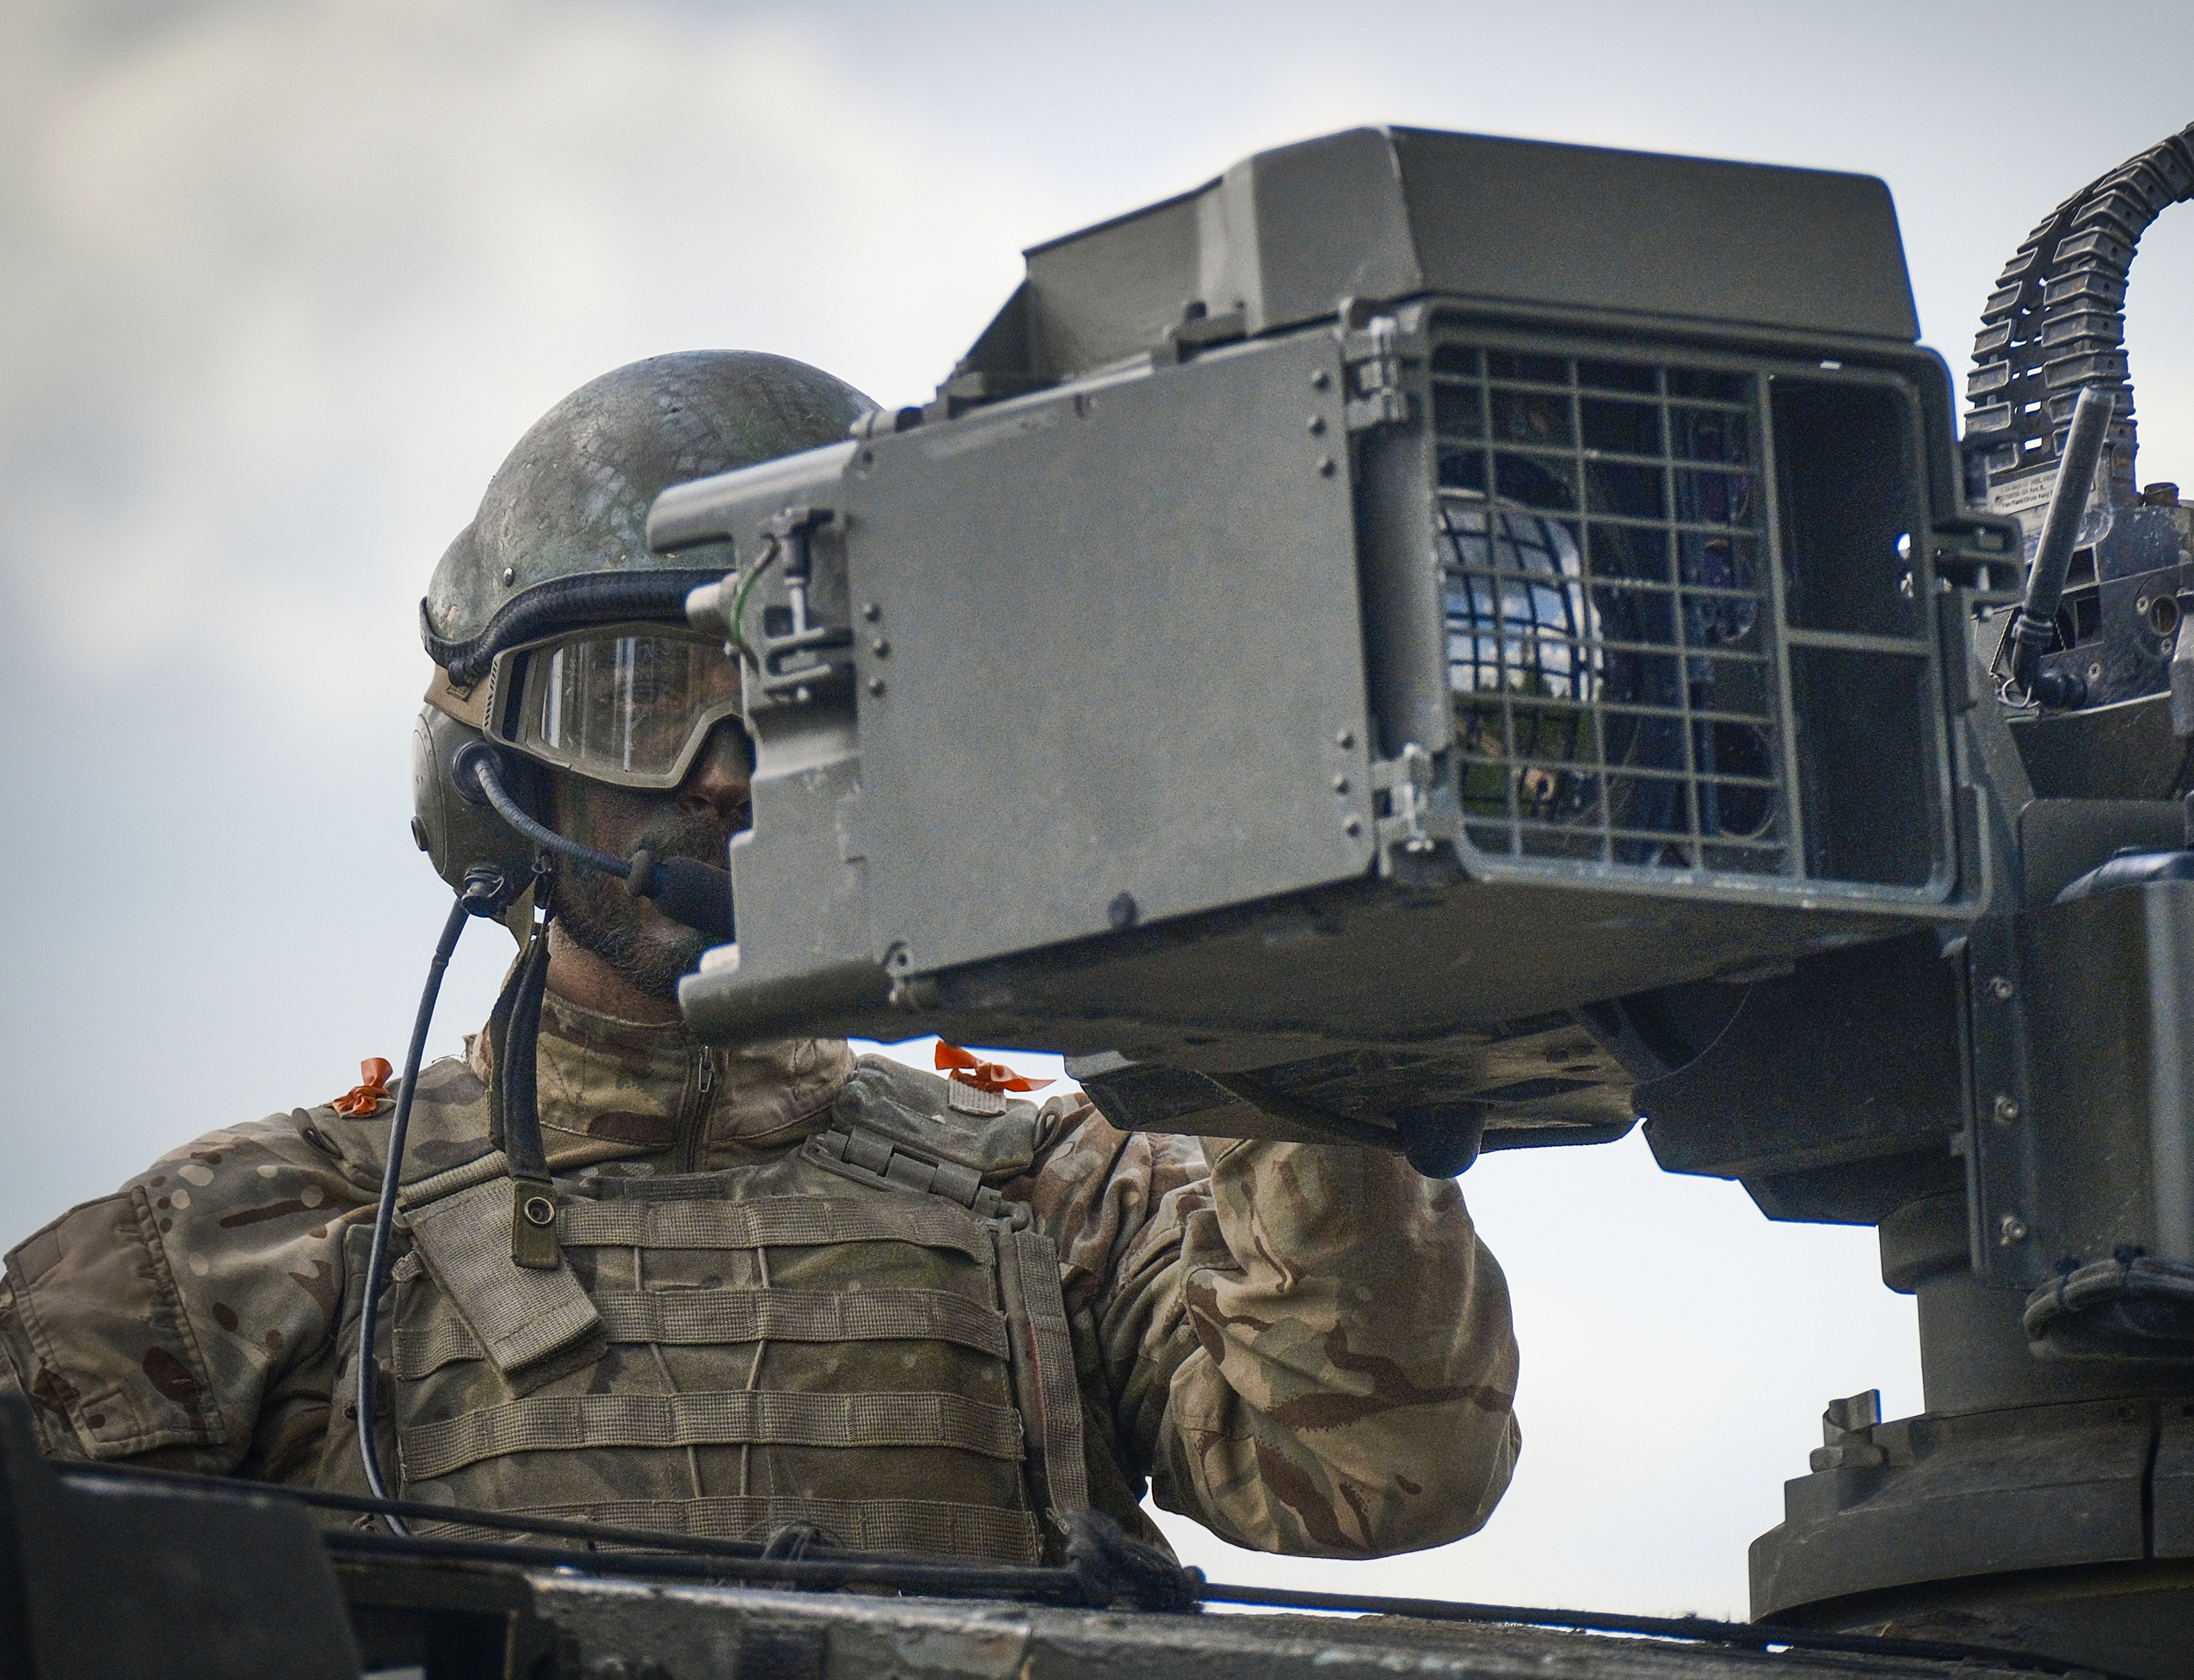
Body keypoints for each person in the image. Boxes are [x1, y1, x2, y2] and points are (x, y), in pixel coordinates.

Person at [0, 351, 1519, 1565]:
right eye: (641, 704)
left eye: (793, 700)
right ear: (495, 770)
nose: (723, 775)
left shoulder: (1061, 1194)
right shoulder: (247, 1243)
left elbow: (1391, 1472)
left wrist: (1268, 987)